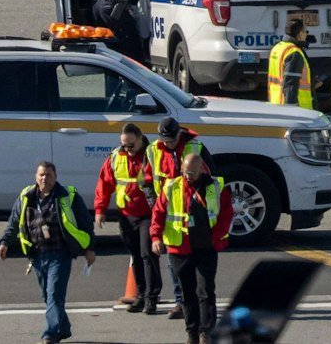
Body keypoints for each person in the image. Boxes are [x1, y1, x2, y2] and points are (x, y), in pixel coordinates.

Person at [0, 160, 95, 344]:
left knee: (54, 296)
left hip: (60, 255)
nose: (44, 178)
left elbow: (85, 222)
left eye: (48, 175)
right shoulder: (26, 196)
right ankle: (63, 328)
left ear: (55, 177)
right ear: (36, 177)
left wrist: (90, 249)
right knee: (48, 296)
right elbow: (13, 221)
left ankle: (50, 334)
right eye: (41, 174)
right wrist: (4, 243)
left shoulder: (68, 196)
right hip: (37, 255)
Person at [151, 149, 232, 344]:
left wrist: (215, 237)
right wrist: (155, 237)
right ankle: (192, 333)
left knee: (205, 291)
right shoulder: (172, 187)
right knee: (188, 294)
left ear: (202, 170)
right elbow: (158, 213)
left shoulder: (216, 187)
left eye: (192, 173)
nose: (188, 177)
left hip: (206, 248)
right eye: (185, 173)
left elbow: (226, 215)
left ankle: (207, 332)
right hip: (180, 249)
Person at [92, 123, 161, 314]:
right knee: (136, 255)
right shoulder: (116, 157)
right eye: (124, 145)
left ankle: (151, 298)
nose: (127, 149)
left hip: (148, 214)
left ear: (140, 139)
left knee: (148, 255)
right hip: (126, 215)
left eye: (131, 145)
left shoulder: (152, 156)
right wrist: (100, 210)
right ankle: (140, 294)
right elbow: (104, 183)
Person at [148, 118, 205, 318]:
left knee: (198, 263)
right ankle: (181, 302)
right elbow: (146, 180)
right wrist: (154, 203)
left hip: (195, 213)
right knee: (174, 263)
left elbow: (211, 178)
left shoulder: (195, 147)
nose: (168, 143)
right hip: (170, 215)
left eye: (171, 140)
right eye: (165, 140)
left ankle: (199, 300)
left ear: (179, 134)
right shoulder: (153, 150)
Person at [267, 18, 314, 109]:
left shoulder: (277, 48)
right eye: (306, 31)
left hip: (276, 103)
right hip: (298, 109)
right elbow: (290, 83)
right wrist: (292, 110)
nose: (306, 34)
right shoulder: (294, 53)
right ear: (300, 33)